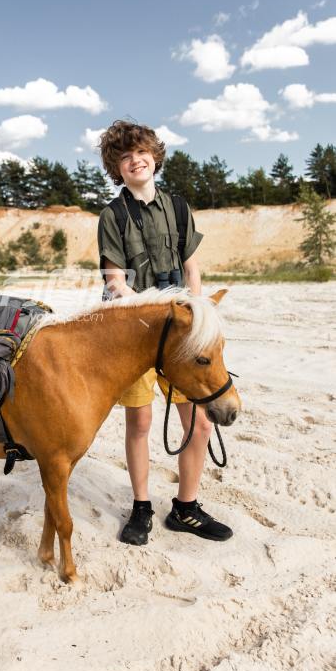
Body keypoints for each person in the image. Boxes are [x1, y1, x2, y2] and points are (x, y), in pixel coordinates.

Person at [97, 120, 232, 545]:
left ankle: (186, 509)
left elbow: (191, 266)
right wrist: (149, 311)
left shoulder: (177, 206)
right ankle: (141, 508)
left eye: (141, 152)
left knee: (200, 425)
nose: (135, 160)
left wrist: (198, 313)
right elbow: (114, 280)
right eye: (124, 156)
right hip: (136, 332)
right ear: (116, 168)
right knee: (139, 422)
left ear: (154, 157)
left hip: (181, 334)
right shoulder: (112, 216)